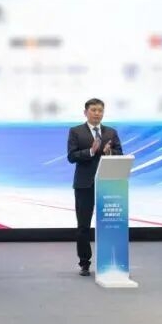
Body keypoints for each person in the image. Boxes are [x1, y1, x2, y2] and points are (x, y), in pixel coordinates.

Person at [66, 98, 123, 277]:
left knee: (110, 224)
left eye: (100, 110)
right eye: (94, 110)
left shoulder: (111, 132)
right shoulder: (76, 131)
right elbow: (71, 156)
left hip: (108, 184)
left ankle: (111, 261)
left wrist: (109, 152)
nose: (97, 113)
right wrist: (91, 151)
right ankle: (84, 263)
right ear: (86, 112)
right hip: (85, 185)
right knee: (83, 225)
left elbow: (120, 153)